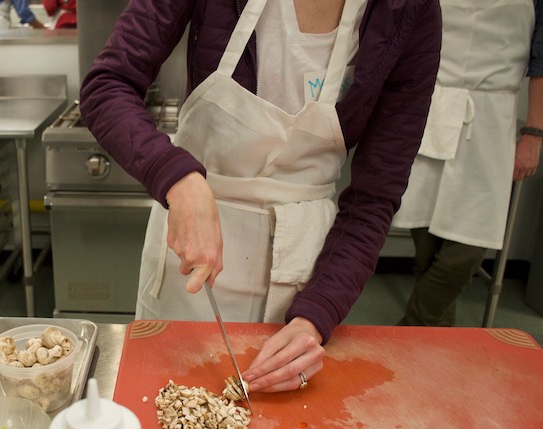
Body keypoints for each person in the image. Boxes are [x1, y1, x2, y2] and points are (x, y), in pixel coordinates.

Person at [80, 0, 442, 393]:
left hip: (307, 275)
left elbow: (375, 198)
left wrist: (317, 313)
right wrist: (177, 178)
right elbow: (106, 86)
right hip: (190, 256)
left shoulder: (411, 10)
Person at [392, 0, 543, 327]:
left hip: (490, 116)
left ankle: (410, 331)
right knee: (426, 246)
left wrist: (533, 133)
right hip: (432, 105)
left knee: (467, 251)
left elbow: (541, 60)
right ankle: (436, 345)